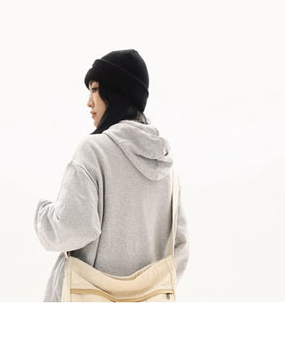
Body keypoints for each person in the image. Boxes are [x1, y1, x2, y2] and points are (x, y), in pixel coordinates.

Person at [34, 49, 189, 301]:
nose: (89, 102)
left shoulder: (93, 151)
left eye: (95, 90)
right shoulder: (165, 168)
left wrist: (43, 215)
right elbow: (179, 248)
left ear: (116, 93)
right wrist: (141, 290)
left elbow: (73, 227)